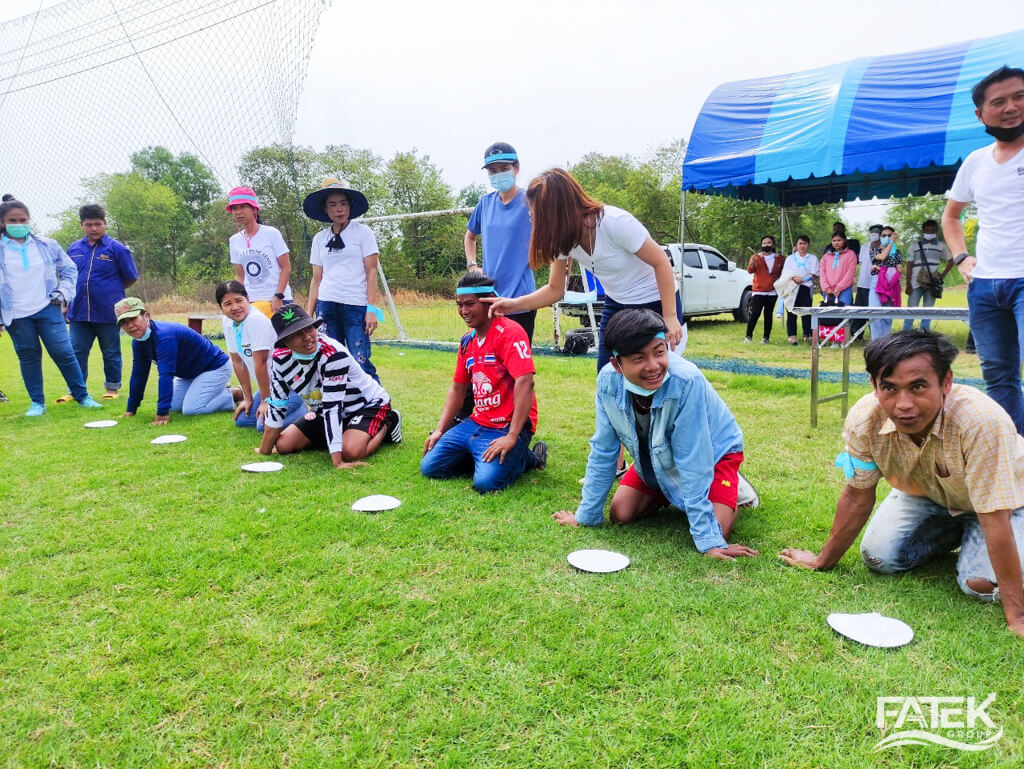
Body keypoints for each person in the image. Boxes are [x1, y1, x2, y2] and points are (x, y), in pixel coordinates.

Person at [780, 330, 1024, 637]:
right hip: (929, 498)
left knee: (979, 585)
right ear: (874, 386)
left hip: (1006, 506)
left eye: (918, 386)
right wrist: (821, 561)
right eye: (890, 388)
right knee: (879, 557)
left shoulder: (981, 421)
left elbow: (994, 518)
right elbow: (857, 498)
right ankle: (959, 533)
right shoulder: (864, 418)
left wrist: (1018, 617)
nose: (903, 404)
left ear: (946, 382)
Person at [552, 309, 759, 558]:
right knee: (621, 514)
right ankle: (667, 484)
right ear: (617, 364)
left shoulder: (687, 382)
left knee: (718, 530)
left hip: (712, 455)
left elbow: (693, 459)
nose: (653, 366)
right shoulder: (607, 382)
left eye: (660, 352)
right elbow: (604, 450)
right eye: (639, 358)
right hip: (656, 456)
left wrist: (709, 541)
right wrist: (586, 516)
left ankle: (734, 484)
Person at [485, 168, 683, 374]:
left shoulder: (615, 223)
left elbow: (661, 263)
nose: (534, 220)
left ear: (557, 212)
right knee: (607, 375)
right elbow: (555, 289)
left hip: (655, 300)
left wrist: (669, 315)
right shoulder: (564, 241)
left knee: (654, 374)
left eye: (537, 215)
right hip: (617, 303)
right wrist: (513, 304)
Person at [943, 65, 1024, 435]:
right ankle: (1013, 456)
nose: (1011, 107)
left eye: (1020, 97)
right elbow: (951, 216)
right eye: (999, 101)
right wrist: (962, 257)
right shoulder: (976, 161)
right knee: (998, 376)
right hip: (986, 286)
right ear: (981, 114)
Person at [421, 273, 547, 493]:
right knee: (430, 466)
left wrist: (511, 437)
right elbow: (458, 388)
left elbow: (525, 383)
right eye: (459, 305)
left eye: (470, 304)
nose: (463, 311)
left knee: (486, 483)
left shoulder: (510, 333)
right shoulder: (467, 340)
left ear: (489, 300)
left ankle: (528, 457)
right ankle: (482, 455)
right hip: (478, 421)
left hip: (507, 425)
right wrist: (440, 430)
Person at [256, 304, 401, 468]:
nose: (308, 337)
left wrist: (337, 461)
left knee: (351, 452)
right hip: (323, 410)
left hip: (366, 405)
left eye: (309, 328)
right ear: (285, 341)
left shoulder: (333, 354)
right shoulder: (279, 359)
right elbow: (277, 404)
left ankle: (389, 422)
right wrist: (264, 451)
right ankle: (345, 433)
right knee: (283, 445)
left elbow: (333, 406)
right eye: (297, 334)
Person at [0, 198, 101, 416]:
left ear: (29, 220)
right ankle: (37, 403)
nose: (19, 224)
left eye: (23, 220)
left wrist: (63, 293)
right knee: (28, 355)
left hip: (48, 308)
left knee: (64, 352)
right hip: (15, 314)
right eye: (12, 220)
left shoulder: (47, 245)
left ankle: (82, 396)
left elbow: (69, 270)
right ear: (2, 223)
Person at [303, 178, 383, 383]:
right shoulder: (320, 239)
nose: (339, 209)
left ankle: (380, 406)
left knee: (360, 360)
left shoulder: (363, 233)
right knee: (330, 360)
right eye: (333, 204)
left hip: (356, 305)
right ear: (325, 210)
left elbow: (371, 272)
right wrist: (307, 315)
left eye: (343, 203)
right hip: (326, 305)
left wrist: (372, 310)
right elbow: (316, 279)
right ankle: (339, 408)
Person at [61, 203, 138, 402]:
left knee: (111, 351)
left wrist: (109, 291)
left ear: (105, 224)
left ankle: (112, 388)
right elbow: (68, 277)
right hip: (78, 312)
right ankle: (75, 390)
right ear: (82, 225)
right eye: (88, 225)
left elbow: (131, 277)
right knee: (76, 351)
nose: (93, 229)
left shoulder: (117, 249)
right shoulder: (74, 248)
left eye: (97, 224)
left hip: (107, 312)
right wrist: (66, 303)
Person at [118, 297, 235, 424]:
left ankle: (234, 394)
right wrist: (131, 409)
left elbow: (166, 375)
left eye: (133, 319)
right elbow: (139, 375)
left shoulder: (164, 336)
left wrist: (162, 414)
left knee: (192, 409)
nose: (130, 325)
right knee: (173, 406)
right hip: (189, 374)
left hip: (215, 367)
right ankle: (211, 390)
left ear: (146, 316)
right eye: (124, 323)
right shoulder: (138, 342)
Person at [465, 142, 537, 342]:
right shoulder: (485, 203)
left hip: (520, 297)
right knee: (489, 362)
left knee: (518, 364)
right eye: (493, 171)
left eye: (504, 169)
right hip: (489, 296)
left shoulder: (530, 201)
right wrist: (473, 265)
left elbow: (551, 235)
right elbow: (470, 236)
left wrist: (538, 255)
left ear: (516, 168)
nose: (498, 174)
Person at [216, 280, 305, 431]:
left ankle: (305, 413)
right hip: (270, 386)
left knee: (263, 426)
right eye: (228, 303)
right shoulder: (227, 322)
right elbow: (238, 362)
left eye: (239, 301)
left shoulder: (255, 320)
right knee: (242, 420)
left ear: (247, 299)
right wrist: (248, 398)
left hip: (290, 386)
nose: (235, 307)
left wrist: (265, 401)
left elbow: (262, 363)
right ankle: (282, 410)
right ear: (221, 307)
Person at [226, 186, 292, 318]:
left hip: (279, 299)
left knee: (283, 338)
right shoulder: (234, 241)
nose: (238, 212)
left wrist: (278, 296)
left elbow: (286, 267)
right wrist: (241, 300)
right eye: (234, 208)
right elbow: (240, 276)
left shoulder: (271, 233)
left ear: (254, 209)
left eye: (243, 207)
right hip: (252, 302)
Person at [744, 234, 784, 344]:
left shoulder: (780, 258)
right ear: (761, 245)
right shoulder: (756, 257)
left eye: (769, 243)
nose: (766, 245)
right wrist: (752, 262)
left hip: (772, 291)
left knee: (768, 314)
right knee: (755, 313)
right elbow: (750, 270)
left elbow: (784, 272)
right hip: (758, 291)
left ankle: (766, 338)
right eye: (764, 243)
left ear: (773, 245)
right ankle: (748, 337)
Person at [867, 226, 903, 340]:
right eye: (884, 235)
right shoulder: (874, 249)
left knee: (888, 316)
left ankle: (885, 343)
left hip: (891, 285)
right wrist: (891, 243)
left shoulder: (896, 252)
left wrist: (894, 255)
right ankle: (875, 342)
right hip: (877, 284)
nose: (887, 237)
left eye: (889, 235)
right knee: (874, 314)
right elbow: (882, 257)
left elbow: (900, 269)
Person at [783, 235, 818, 344]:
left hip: (805, 287)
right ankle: (792, 335)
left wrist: (802, 279)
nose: (802, 246)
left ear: (808, 245)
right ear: (796, 245)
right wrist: (794, 278)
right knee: (791, 311)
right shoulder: (790, 258)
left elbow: (814, 273)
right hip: (792, 287)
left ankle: (807, 334)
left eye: (805, 243)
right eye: (800, 243)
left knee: (806, 312)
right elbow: (786, 272)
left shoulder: (812, 258)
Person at [853, 224, 883, 339]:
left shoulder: (884, 248)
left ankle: (876, 336)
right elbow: (861, 262)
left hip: (877, 284)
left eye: (877, 232)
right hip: (863, 283)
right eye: (872, 232)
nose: (874, 234)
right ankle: (857, 335)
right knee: (860, 310)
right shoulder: (864, 246)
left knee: (873, 310)